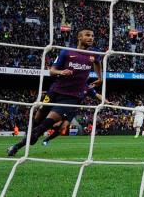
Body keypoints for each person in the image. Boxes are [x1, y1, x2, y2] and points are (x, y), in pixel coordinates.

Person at [7, 28, 102, 156]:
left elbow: (97, 63)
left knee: (45, 125)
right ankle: (29, 136)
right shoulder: (67, 52)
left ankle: (17, 146)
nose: (91, 38)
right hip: (55, 91)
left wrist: (100, 77)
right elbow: (52, 71)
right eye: (87, 35)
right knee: (37, 118)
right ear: (79, 37)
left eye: (92, 36)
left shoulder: (94, 54)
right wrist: (61, 72)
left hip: (71, 97)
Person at [42, 85, 111, 146]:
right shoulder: (72, 83)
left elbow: (97, 95)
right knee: (54, 124)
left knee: (62, 128)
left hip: (72, 111)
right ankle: (36, 132)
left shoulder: (87, 88)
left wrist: (106, 101)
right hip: (64, 107)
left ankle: (46, 140)